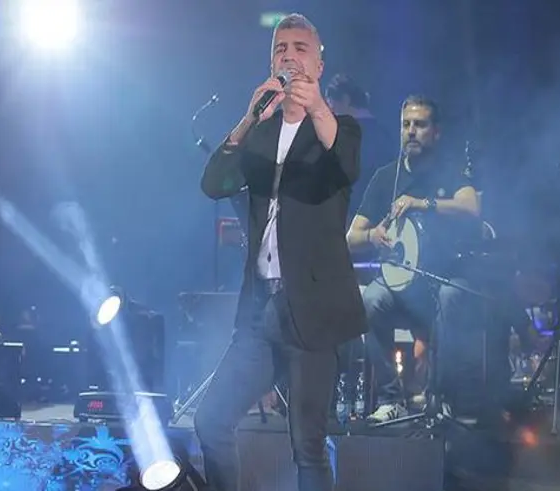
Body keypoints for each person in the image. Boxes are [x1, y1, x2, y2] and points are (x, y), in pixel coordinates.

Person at [195, 13, 366, 491]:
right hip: (260, 311)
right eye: (280, 48)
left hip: (311, 310)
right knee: (211, 421)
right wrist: (248, 119)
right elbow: (214, 184)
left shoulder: (339, 128)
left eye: (300, 48)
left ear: (319, 64)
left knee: (307, 447)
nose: (289, 56)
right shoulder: (262, 131)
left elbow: (347, 165)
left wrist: (317, 108)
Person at [346, 95, 481, 422]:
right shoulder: (385, 177)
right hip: (398, 283)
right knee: (369, 300)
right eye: (406, 124)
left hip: (442, 278)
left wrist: (424, 203)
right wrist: (372, 235)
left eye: (419, 125)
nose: (411, 131)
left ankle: (441, 398)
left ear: (436, 132)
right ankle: (391, 398)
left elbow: (471, 208)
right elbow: (351, 238)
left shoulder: (449, 172)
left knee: (452, 296)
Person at [325, 74, 396, 219]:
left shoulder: (345, 136)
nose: (331, 114)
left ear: (345, 100)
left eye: (333, 107)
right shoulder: (386, 135)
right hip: (380, 218)